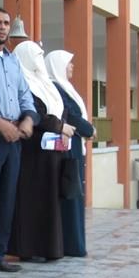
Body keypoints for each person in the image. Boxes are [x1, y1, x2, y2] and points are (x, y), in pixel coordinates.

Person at [0, 9, 38, 273]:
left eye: (5, 23)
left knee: (6, 198)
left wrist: (29, 120)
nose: (3, 28)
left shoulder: (13, 61)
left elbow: (26, 95)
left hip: (15, 137)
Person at [9, 41, 71, 261]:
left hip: (53, 151)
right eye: (36, 55)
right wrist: (59, 126)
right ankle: (28, 249)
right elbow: (34, 114)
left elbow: (59, 111)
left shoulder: (44, 83)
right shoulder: (23, 81)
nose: (39, 59)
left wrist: (62, 127)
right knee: (31, 200)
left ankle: (50, 248)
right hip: (32, 151)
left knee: (50, 200)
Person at [46, 50, 94, 258]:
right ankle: (72, 245)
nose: (72, 66)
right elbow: (71, 116)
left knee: (76, 192)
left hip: (74, 144)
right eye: (68, 63)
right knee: (70, 191)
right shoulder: (56, 88)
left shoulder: (66, 87)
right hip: (67, 147)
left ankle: (76, 243)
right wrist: (89, 130)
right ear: (58, 65)